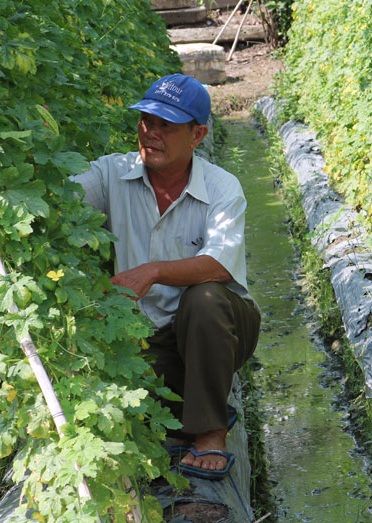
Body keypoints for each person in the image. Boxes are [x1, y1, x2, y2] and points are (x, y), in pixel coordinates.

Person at [72, 73, 260, 480]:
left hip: (216, 332)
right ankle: (191, 412)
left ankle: (211, 432)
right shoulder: (111, 174)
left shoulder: (222, 187)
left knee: (205, 297)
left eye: (166, 126)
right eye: (145, 121)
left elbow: (221, 264)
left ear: (197, 135)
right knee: (147, 407)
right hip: (147, 336)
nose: (150, 134)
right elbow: (61, 201)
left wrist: (153, 271)